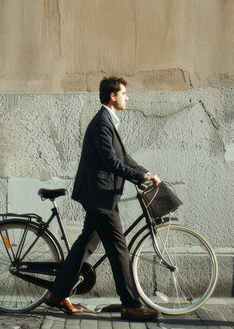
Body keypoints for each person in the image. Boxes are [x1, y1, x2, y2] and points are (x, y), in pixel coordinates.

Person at [44, 77, 161, 320]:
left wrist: (145, 173)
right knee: (119, 249)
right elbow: (111, 162)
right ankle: (130, 304)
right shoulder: (101, 124)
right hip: (100, 198)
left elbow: (124, 158)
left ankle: (56, 294)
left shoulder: (108, 122)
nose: (127, 97)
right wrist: (138, 177)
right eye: (124, 93)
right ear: (112, 96)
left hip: (101, 196)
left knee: (86, 244)